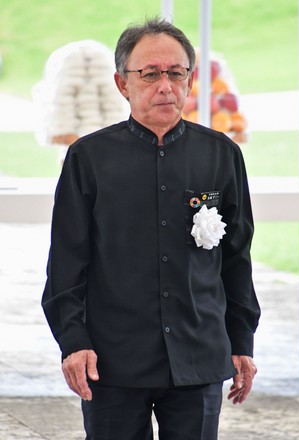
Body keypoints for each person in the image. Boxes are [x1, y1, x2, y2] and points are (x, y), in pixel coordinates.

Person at [42, 17, 260, 440]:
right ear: (123, 84)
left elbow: (236, 258)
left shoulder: (222, 155)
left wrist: (242, 341)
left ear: (191, 80)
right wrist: (73, 341)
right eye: (150, 74)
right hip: (111, 361)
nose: (165, 85)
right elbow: (67, 265)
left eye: (176, 73)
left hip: (198, 356)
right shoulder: (88, 159)